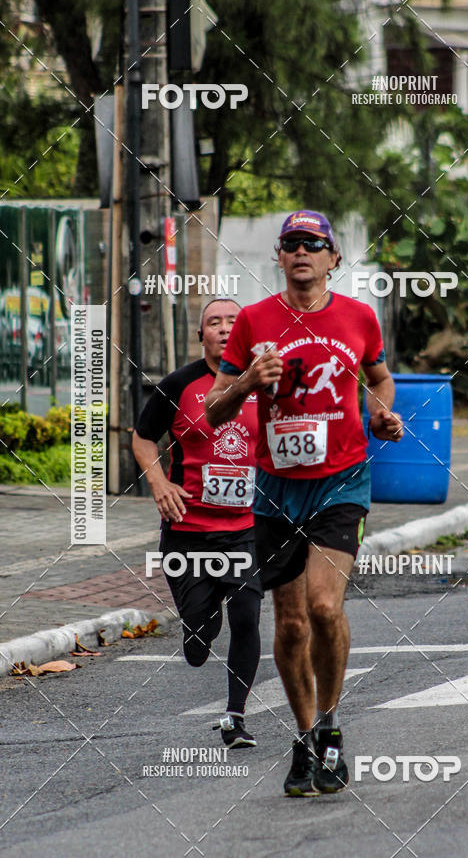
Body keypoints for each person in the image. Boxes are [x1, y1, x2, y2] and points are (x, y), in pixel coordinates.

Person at [204, 211, 403, 794]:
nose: (301, 253)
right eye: (291, 244)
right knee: (289, 623)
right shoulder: (254, 322)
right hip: (274, 489)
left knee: (322, 606)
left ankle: (333, 730)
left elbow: (381, 378)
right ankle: (306, 735)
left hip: (340, 481)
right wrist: (244, 384)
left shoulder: (359, 317)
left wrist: (380, 412)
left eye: (313, 245)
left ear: (333, 258)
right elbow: (214, 410)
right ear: (279, 256)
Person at [132, 298, 262, 749]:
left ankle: (235, 717)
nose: (225, 328)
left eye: (233, 321)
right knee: (199, 639)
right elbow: (144, 438)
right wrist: (159, 483)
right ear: (201, 335)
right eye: (214, 322)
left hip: (246, 529)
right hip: (187, 532)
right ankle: (199, 627)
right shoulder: (180, 384)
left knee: (247, 617)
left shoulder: (264, 384)